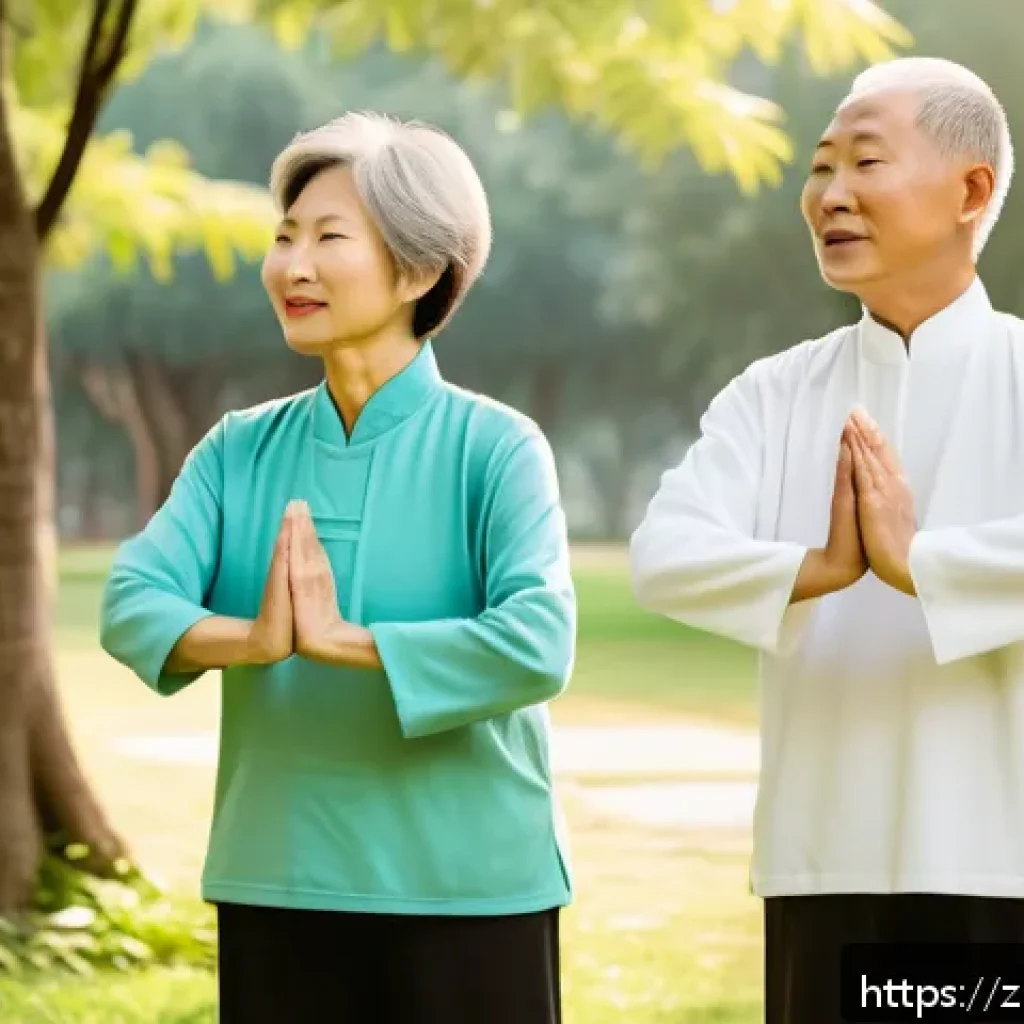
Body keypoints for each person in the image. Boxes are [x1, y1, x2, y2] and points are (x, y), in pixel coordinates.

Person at [100, 111, 576, 1024]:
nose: (293, 266)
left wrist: (346, 644)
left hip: (467, 889)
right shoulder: (238, 450)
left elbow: (537, 644)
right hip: (279, 879)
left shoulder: (496, 447)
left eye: (328, 238)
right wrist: (251, 639)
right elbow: (131, 598)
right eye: (284, 239)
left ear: (420, 269)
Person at [629, 57, 1024, 1023]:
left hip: (1004, 857)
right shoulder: (777, 392)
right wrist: (820, 568)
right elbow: (664, 555)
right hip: (826, 857)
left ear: (971, 190)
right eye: (820, 169)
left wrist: (915, 564)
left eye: (865, 164)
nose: (830, 196)